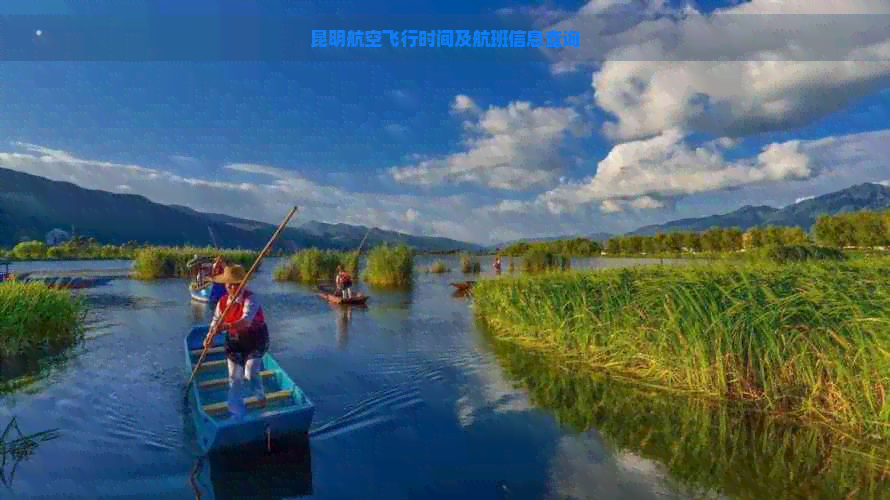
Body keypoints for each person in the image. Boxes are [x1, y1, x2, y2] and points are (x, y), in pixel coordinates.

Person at [203, 265, 269, 415]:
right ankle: (237, 412)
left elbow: (245, 321)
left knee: (250, 371)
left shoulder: (251, 298)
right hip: (234, 342)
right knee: (235, 378)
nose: (232, 287)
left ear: (243, 283)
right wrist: (209, 337)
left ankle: (260, 395)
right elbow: (215, 321)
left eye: (236, 284)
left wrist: (225, 326)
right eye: (228, 284)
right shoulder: (222, 302)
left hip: (255, 340)